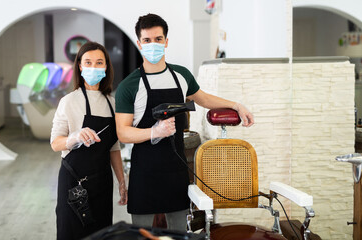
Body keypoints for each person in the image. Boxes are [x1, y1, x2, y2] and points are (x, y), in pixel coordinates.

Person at [114, 13, 254, 231]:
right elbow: (122, 133)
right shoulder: (129, 86)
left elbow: (204, 99)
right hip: (144, 174)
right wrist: (154, 132)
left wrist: (237, 105)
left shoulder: (181, 75)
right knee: (140, 235)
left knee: (180, 233)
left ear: (166, 42)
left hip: (176, 171)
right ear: (140, 43)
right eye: (147, 40)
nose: (153, 45)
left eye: (158, 39)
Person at [50, 41, 127, 240]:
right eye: (88, 62)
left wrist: (121, 181)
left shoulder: (112, 103)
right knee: (72, 232)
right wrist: (74, 137)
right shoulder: (68, 101)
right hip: (73, 182)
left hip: (102, 181)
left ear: (106, 67)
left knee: (101, 234)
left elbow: (113, 147)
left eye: (99, 62)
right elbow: (55, 143)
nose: (94, 67)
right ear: (80, 66)